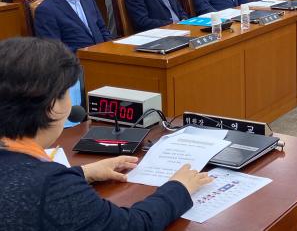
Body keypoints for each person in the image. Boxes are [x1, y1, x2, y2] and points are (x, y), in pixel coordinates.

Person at [0, 36, 211, 230]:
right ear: (52, 106)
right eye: (66, 93)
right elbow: (133, 226)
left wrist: (82, 172)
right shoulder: (52, 186)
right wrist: (178, 188)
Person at [34, 0, 113, 120]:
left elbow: (102, 29)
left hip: (103, 60)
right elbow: (54, 51)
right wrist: (89, 57)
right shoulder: (46, 9)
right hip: (76, 71)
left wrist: (111, 51)